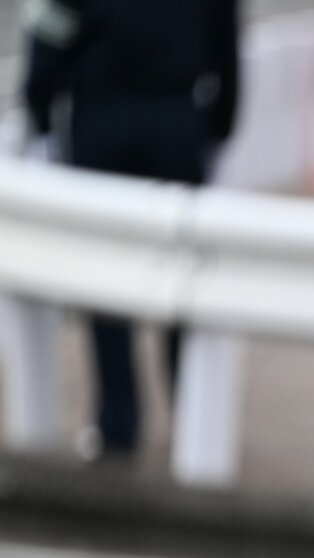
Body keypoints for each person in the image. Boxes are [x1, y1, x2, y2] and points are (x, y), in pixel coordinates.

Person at [22, 0, 240, 460]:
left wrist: (41, 114)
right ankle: (192, 420)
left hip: (99, 120)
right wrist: (215, 127)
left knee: (106, 280)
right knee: (185, 278)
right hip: (178, 121)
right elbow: (226, 40)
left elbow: (48, 34)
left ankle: (118, 425)